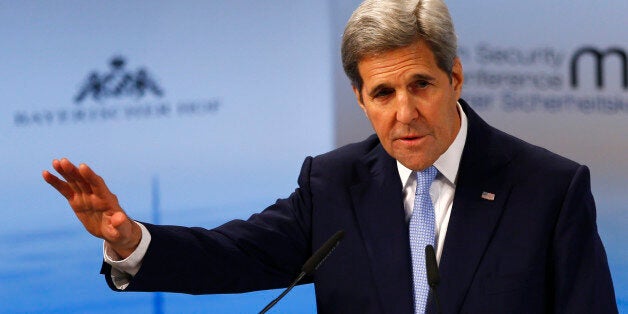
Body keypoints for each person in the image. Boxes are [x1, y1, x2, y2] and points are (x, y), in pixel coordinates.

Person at [43, 0, 617, 313]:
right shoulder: (333, 183)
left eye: (421, 85)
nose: (405, 113)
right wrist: (130, 241)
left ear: (455, 78)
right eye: (383, 94)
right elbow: (232, 254)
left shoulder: (548, 188)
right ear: (360, 99)